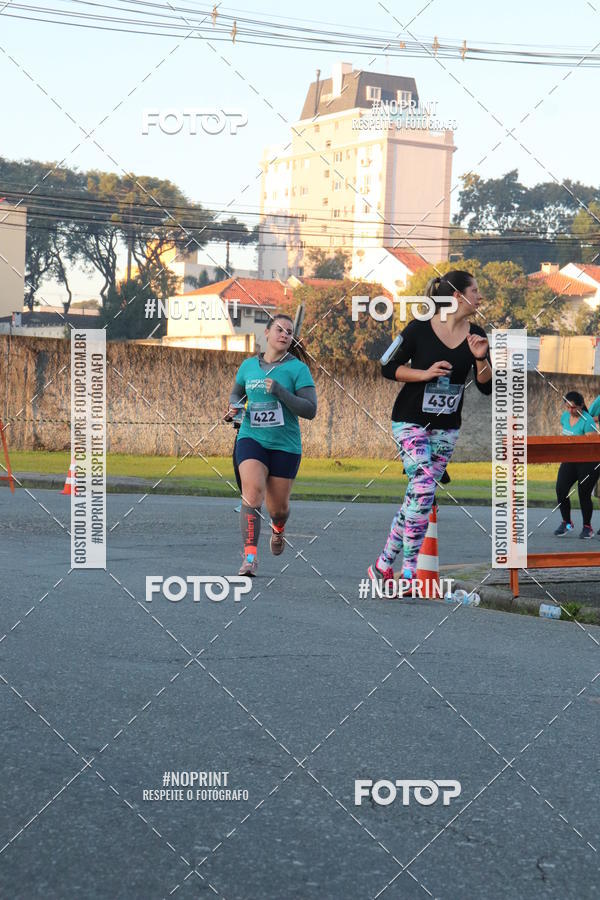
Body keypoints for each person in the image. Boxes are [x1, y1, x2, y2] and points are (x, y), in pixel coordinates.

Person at [367, 270, 492, 591]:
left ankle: (383, 565)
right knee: (423, 490)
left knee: (417, 496)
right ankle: (408, 573)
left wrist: (480, 359)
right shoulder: (420, 328)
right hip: (410, 420)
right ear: (457, 297)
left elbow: (486, 387)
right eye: (475, 291)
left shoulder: (476, 334)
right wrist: (424, 374)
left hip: (447, 428)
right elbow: (386, 366)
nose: (480, 296)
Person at [224, 312, 317, 576]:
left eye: (289, 332)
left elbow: (310, 410)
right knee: (252, 494)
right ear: (267, 333)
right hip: (251, 437)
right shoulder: (248, 366)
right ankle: (250, 558)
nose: (285, 335)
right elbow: (236, 393)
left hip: (285, 445)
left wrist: (280, 391)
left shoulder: (297, 370)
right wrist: (234, 407)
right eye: (280, 330)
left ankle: (278, 529)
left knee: (279, 509)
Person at [553, 391, 600, 539]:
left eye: (573, 407)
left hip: (588, 462)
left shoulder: (588, 421)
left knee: (583, 493)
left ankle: (587, 527)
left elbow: (592, 447)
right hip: (569, 460)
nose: (570, 410)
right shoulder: (565, 417)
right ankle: (567, 523)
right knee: (561, 489)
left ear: (581, 406)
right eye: (567, 407)